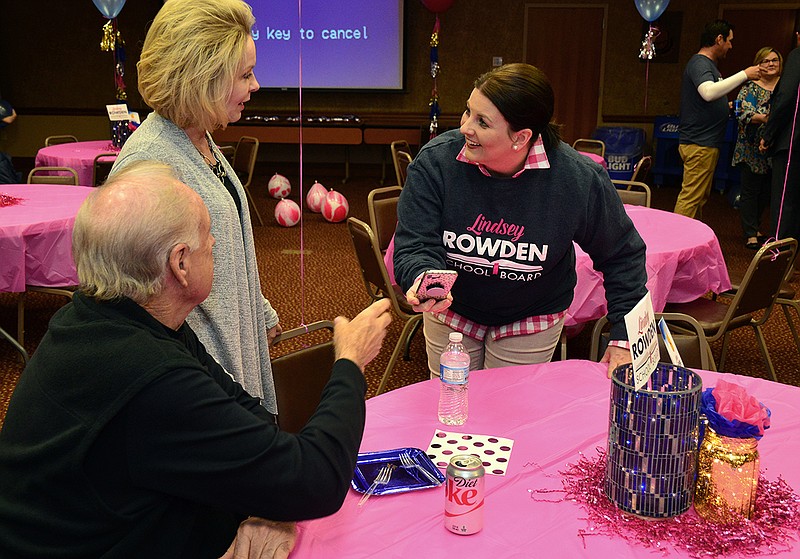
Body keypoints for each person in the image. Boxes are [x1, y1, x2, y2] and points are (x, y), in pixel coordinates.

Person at [0, 160, 393, 558]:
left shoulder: (109, 316)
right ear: (180, 263)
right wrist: (349, 362)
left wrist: (271, 504)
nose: (216, 245)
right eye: (209, 235)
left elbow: (250, 417)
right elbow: (317, 481)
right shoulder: (151, 375)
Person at [392, 63, 648, 378]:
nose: (465, 128)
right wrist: (422, 277)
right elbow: (415, 241)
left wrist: (624, 335)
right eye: (468, 112)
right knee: (450, 405)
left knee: (509, 412)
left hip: (531, 315)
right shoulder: (436, 163)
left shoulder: (576, 179)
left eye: (482, 122)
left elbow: (621, 254)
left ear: (521, 137)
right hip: (454, 312)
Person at [111, 0, 281, 414]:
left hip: (230, 366)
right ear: (202, 79)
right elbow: (140, 306)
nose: (255, 85)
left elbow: (226, 246)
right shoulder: (150, 161)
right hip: (196, 387)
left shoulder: (199, 139)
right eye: (244, 75)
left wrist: (260, 313)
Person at [673, 19, 761, 220]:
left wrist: (724, 106)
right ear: (718, 39)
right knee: (690, 199)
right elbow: (708, 92)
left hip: (704, 143)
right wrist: (744, 74)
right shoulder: (700, 63)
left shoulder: (708, 65)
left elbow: (709, 97)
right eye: (729, 41)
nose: (731, 46)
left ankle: (690, 240)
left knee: (698, 198)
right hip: (699, 143)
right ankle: (676, 240)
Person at [732, 47, 782, 249]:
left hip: (776, 149)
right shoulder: (749, 88)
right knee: (750, 192)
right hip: (751, 148)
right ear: (758, 64)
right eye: (765, 61)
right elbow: (741, 113)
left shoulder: (785, 87)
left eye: (775, 60)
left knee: (767, 192)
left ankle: (757, 226)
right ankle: (751, 233)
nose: (770, 64)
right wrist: (765, 118)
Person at [761, 30, 800, 243]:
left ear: (797, 35)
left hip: (793, 142)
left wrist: (769, 134)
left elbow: (786, 97)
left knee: (785, 202)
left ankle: (779, 256)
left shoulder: (797, 55)